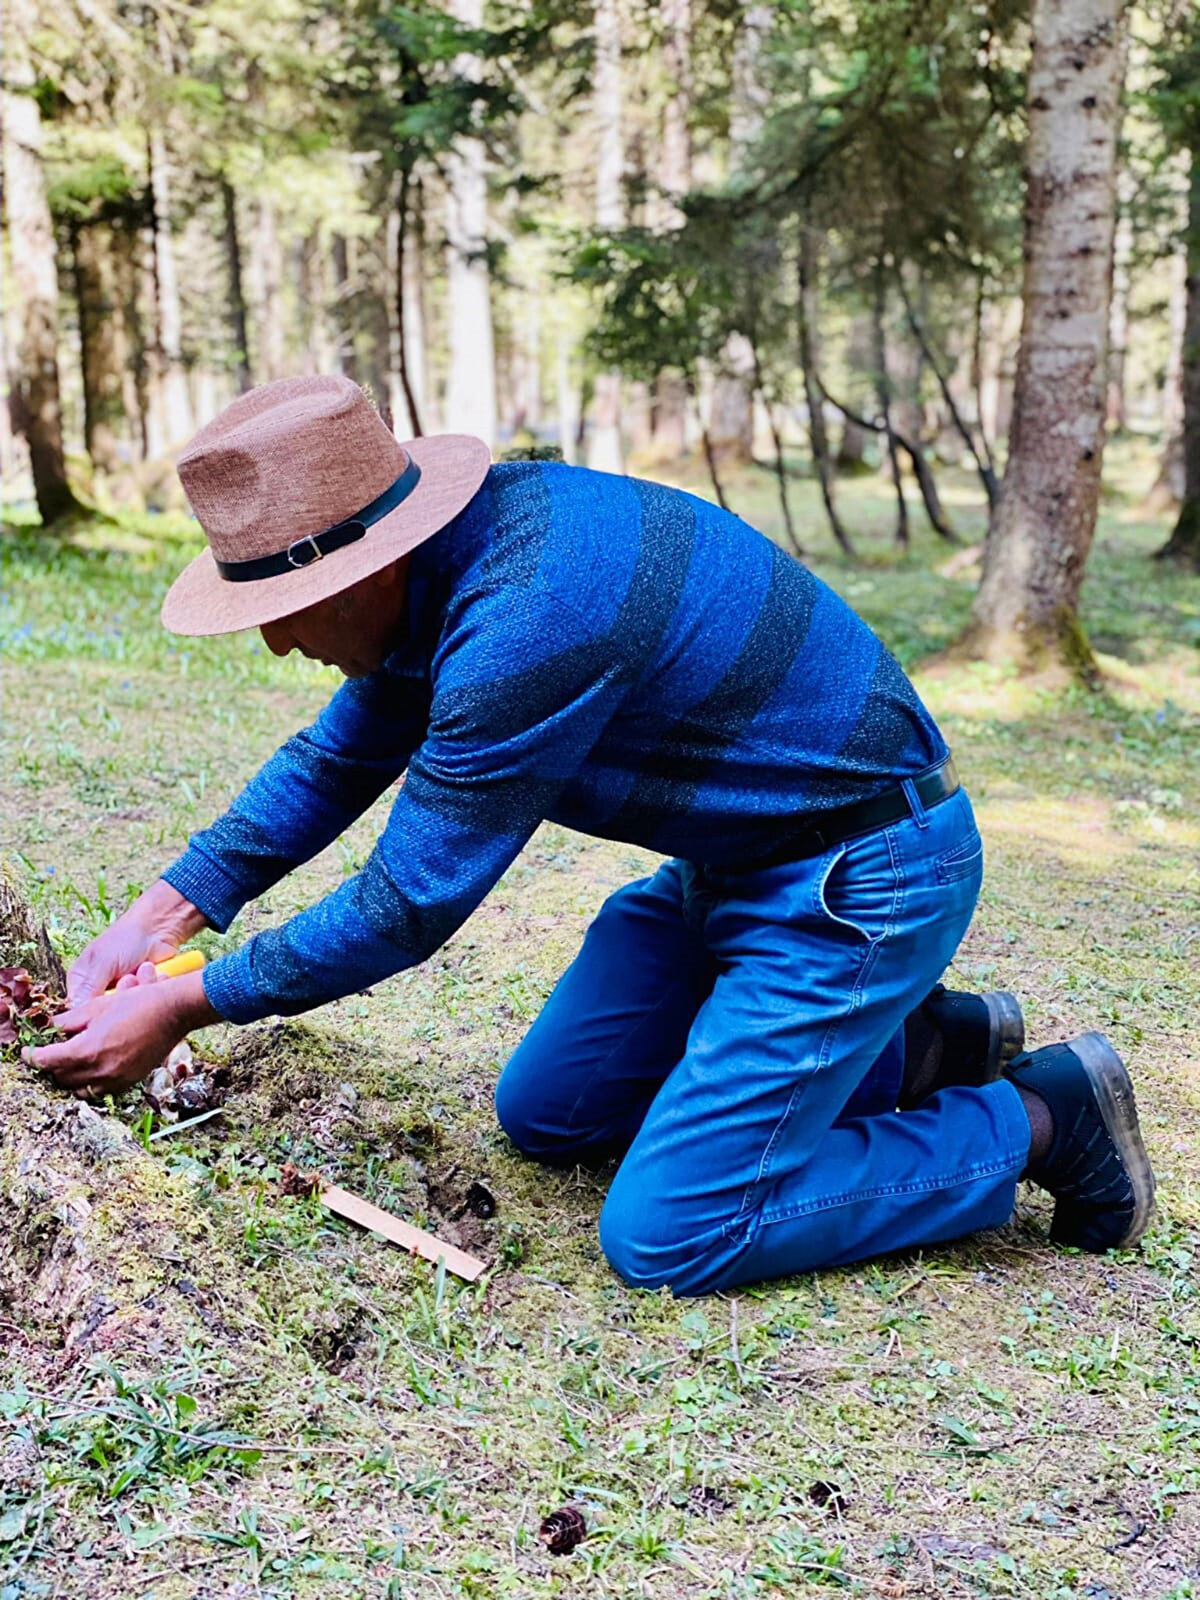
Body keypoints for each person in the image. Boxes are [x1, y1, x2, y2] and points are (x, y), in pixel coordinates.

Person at [26, 376, 1156, 1294]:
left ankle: (1046, 1113)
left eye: (284, 614)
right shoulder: (447, 573)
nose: (278, 648)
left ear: (363, 563)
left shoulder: (532, 613)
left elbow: (403, 907)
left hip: (857, 885)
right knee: (550, 1113)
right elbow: (336, 757)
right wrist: (158, 916)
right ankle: (924, 1047)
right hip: (733, 876)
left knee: (673, 1233)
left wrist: (182, 1000)